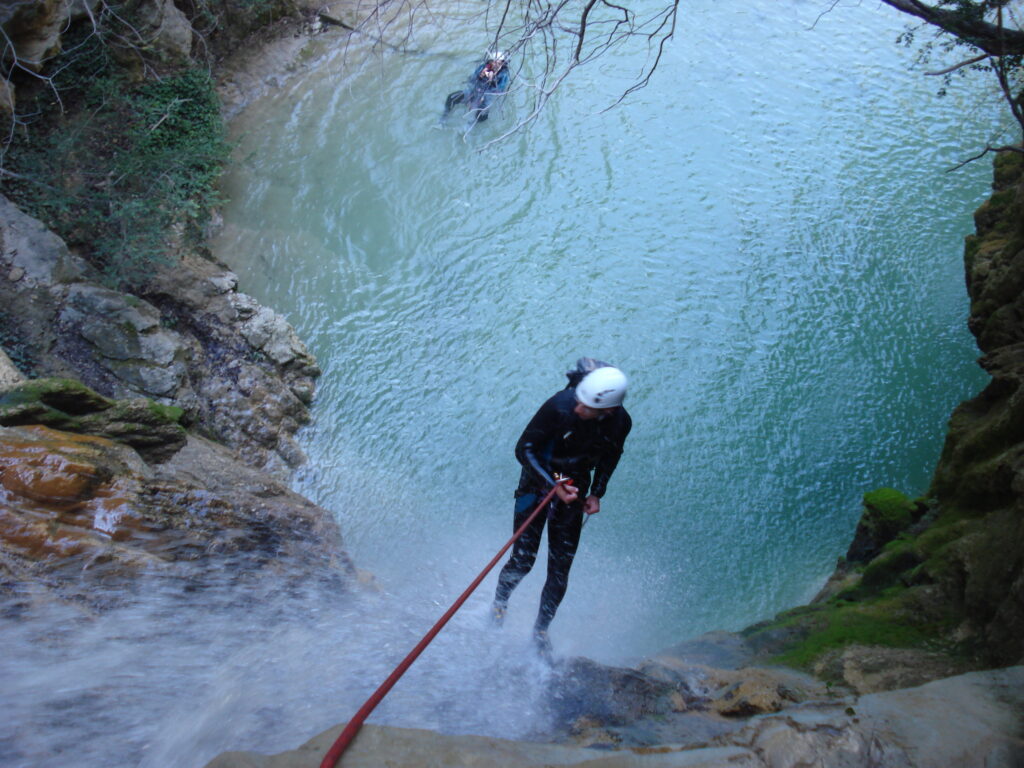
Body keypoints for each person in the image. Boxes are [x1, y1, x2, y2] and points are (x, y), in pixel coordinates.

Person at [491, 360, 632, 655]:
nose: (577, 409)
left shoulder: (620, 422)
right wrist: (553, 483)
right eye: (579, 401)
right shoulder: (559, 405)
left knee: (559, 570)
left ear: (607, 410)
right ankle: (498, 607)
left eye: (586, 408)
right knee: (523, 560)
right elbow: (524, 448)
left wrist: (597, 493)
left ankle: (540, 631)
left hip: (575, 489)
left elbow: (611, 457)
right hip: (537, 483)